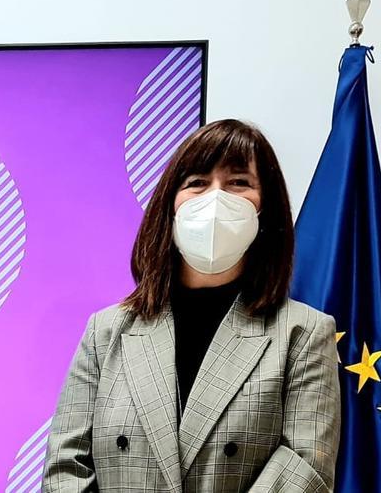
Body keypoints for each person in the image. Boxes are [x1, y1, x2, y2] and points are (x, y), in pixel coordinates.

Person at [43, 120, 340, 493]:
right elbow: (65, 469)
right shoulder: (106, 331)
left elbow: (305, 469)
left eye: (238, 183)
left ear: (268, 209)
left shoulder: (304, 332)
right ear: (171, 204)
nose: (216, 199)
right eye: (197, 183)